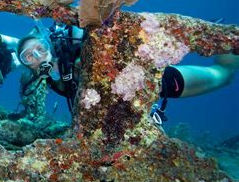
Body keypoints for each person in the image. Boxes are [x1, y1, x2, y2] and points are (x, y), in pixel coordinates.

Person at [17, 22, 239, 121]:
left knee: (222, 76)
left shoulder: (73, 53)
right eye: (29, 56)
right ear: (28, 66)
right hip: (126, 103)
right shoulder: (48, 79)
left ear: (49, 44)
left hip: (150, 79)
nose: (37, 56)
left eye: (39, 49)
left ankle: (223, 36)